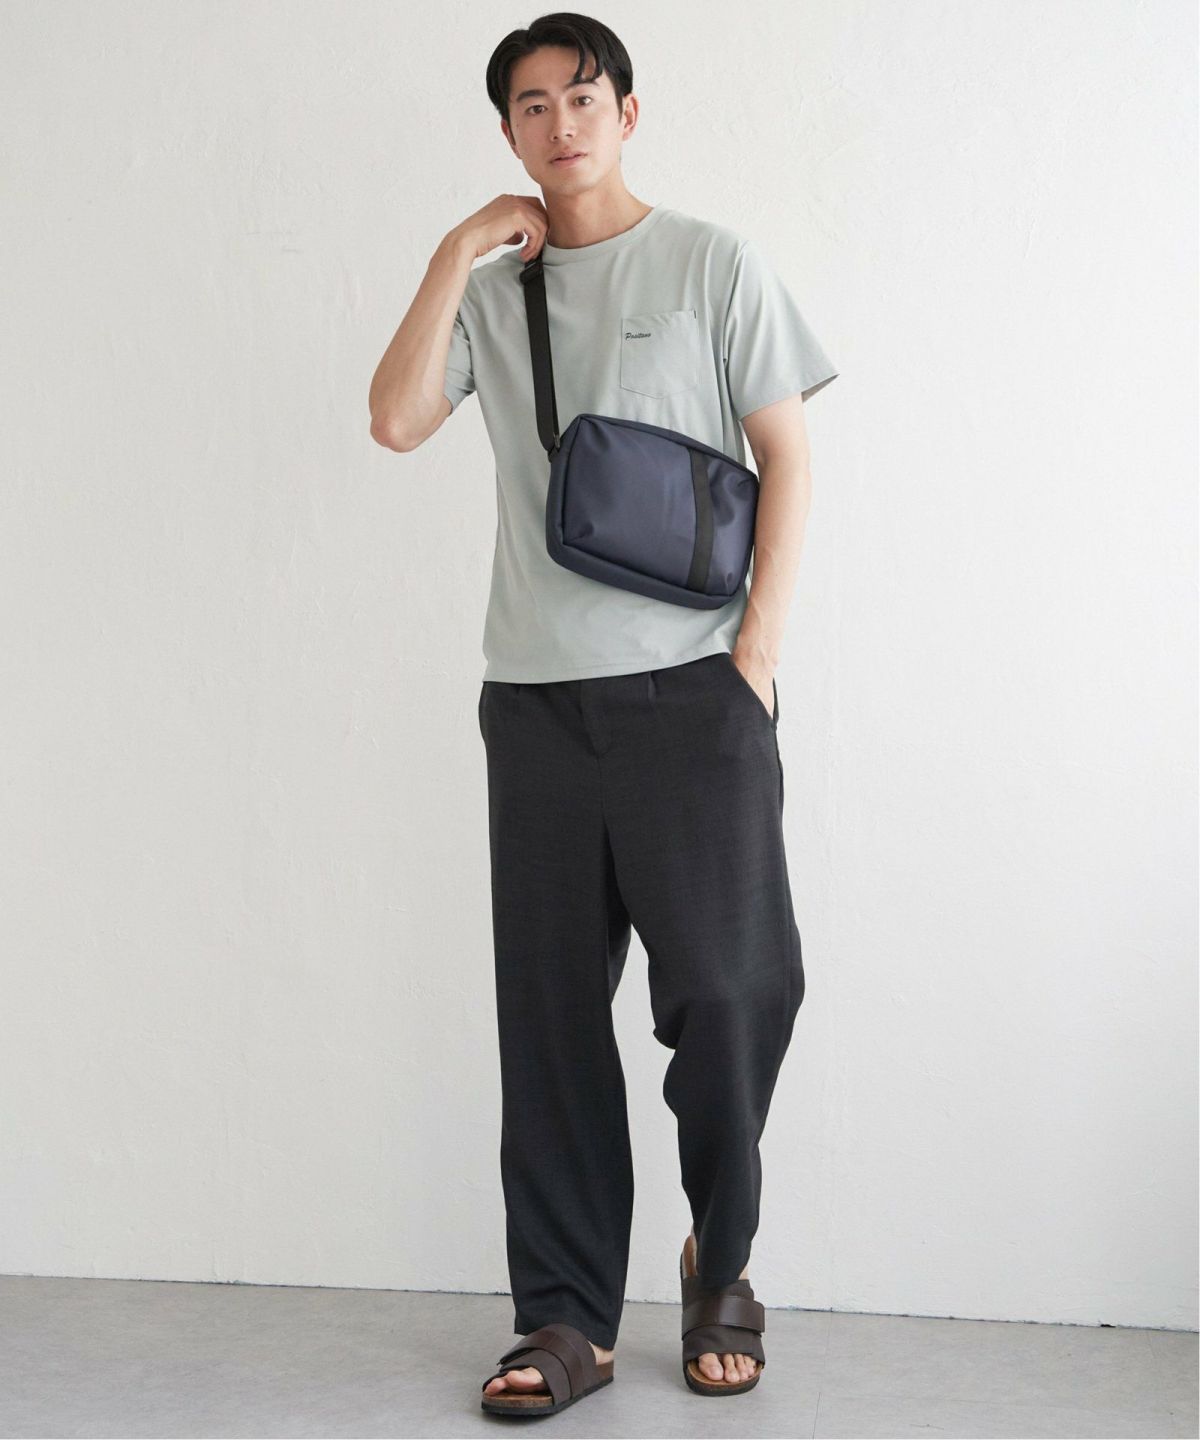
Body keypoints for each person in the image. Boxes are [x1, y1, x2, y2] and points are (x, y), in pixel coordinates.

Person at [368, 10, 838, 1418]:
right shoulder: (494, 295)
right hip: (536, 704)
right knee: (553, 1017)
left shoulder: (711, 262)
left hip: (698, 693)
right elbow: (394, 419)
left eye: (583, 97)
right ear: (508, 132)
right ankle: (566, 1317)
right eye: (532, 105)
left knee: (737, 993)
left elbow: (788, 454)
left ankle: (719, 1258)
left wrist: (756, 654)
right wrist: (458, 249)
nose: (560, 123)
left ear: (628, 112)